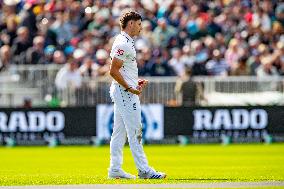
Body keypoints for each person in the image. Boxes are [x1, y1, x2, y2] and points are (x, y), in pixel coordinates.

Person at [108, 10, 166, 179]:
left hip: (123, 90)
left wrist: (134, 82)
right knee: (135, 132)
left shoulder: (127, 42)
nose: (141, 28)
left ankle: (115, 169)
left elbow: (122, 70)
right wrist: (129, 87)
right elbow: (113, 70)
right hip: (124, 92)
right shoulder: (122, 43)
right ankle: (144, 170)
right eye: (139, 24)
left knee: (119, 133)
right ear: (131, 24)